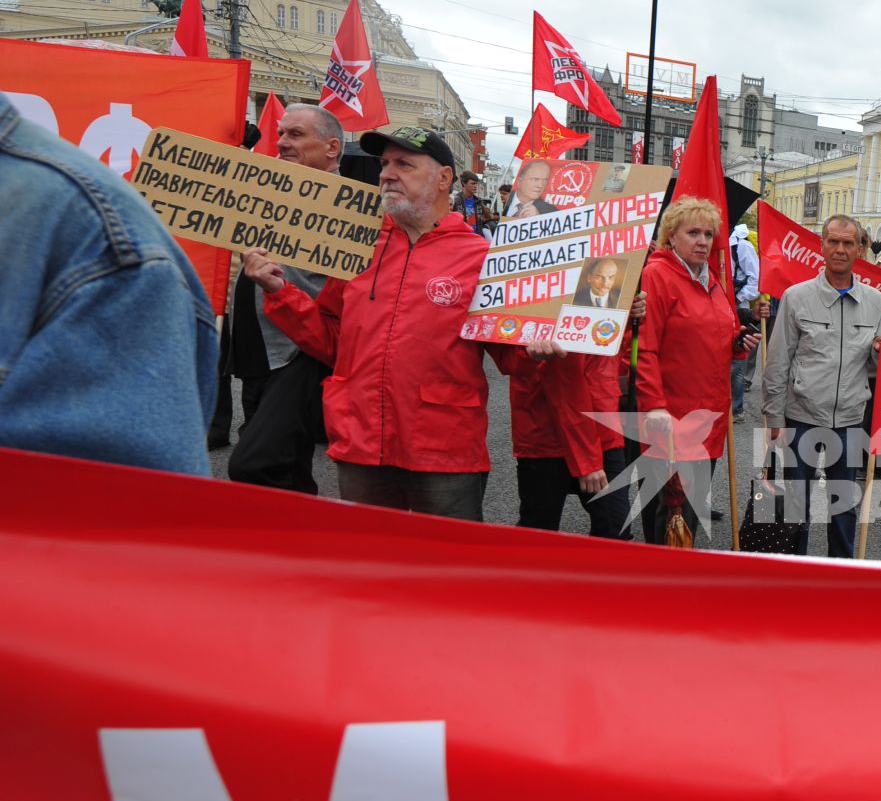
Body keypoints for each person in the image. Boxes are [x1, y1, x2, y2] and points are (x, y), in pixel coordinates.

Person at [248, 125, 557, 519]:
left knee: (445, 569)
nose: (387, 174)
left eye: (404, 164)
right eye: (385, 164)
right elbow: (332, 341)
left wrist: (537, 348)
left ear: (444, 178)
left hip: (443, 448)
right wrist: (281, 294)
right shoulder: (358, 246)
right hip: (360, 440)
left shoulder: (481, 256)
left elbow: (509, 356)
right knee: (370, 564)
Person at [0, 94, 218, 475]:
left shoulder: (97, 234)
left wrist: (279, 293)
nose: (283, 141)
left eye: (295, 133)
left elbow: (113, 514)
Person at [628, 195, 759, 544]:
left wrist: (736, 341)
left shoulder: (711, 281)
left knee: (689, 508)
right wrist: (655, 405)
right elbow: (645, 348)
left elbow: (711, 334)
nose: (703, 241)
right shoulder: (657, 277)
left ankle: (676, 581)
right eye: (693, 233)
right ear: (672, 235)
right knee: (669, 512)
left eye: (708, 234)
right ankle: (660, 590)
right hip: (673, 418)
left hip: (709, 418)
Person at [763, 214, 881, 557]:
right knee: (795, 504)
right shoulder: (796, 297)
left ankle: (841, 572)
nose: (839, 249)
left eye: (848, 243)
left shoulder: (877, 303)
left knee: (844, 506)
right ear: (821, 246)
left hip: (851, 419)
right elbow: (777, 361)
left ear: (860, 249)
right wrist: (774, 416)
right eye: (832, 241)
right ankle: (794, 569)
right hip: (802, 416)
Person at [229, 103, 341, 493]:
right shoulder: (269, 189)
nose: (282, 143)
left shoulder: (352, 209)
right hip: (257, 346)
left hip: (299, 349)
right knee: (286, 467)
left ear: (331, 148)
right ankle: (289, 543)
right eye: (281, 134)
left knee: (254, 463)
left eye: (296, 135)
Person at [511, 344, 629, 539]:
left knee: (615, 531)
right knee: (537, 536)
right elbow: (564, 381)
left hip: (602, 430)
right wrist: (587, 461)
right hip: (548, 438)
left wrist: (629, 316)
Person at [727, 220, 763, 417]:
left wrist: (736, 298)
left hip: (737, 306)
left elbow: (755, 280)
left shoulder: (743, 245)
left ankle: (737, 409)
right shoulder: (718, 242)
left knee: (738, 361)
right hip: (721, 305)